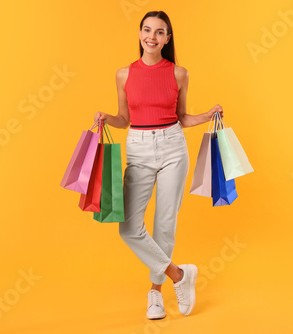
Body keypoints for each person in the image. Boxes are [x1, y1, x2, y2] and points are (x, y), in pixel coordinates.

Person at [93, 10, 223, 319]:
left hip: (173, 146)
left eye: (160, 32)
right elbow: (124, 118)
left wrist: (208, 115)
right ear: (139, 34)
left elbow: (182, 116)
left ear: (167, 38)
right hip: (138, 148)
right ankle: (179, 274)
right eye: (147, 30)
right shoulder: (124, 74)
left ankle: (155, 293)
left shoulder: (179, 73)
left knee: (165, 224)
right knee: (128, 227)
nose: (152, 36)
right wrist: (106, 119)